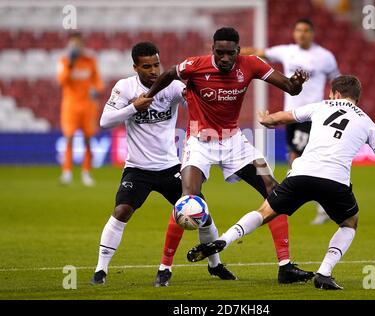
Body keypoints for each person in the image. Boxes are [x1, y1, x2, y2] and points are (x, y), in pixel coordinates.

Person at [187, 75, 375, 290]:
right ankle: (324, 273)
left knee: (265, 211)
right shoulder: (368, 123)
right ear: (356, 98)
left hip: (301, 174)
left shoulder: (322, 106)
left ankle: (223, 240)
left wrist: (267, 119)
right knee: (349, 223)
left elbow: (282, 117)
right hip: (335, 181)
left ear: (335, 94)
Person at [145, 27, 315, 284]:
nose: (225, 58)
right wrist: (148, 96)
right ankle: (164, 268)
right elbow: (169, 73)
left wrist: (297, 83)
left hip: (235, 141)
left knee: (274, 190)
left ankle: (285, 266)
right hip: (199, 142)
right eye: (220, 52)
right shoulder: (195, 65)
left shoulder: (251, 64)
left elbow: (291, 89)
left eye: (230, 53)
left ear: (238, 50)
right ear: (212, 49)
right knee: (187, 201)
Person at [90, 42, 235, 286]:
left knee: (202, 214)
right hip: (137, 169)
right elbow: (105, 121)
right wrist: (132, 107)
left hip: (170, 168)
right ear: (135, 67)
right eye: (147, 66)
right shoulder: (125, 87)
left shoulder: (173, 88)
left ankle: (215, 264)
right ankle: (100, 270)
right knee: (121, 211)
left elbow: (195, 105)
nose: (154, 70)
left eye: (156, 64)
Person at [242, 18, 340, 225]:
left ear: (312, 33)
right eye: (298, 30)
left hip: (313, 114)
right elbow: (259, 52)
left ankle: (304, 194)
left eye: (305, 30)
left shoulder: (325, 57)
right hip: (291, 115)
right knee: (297, 156)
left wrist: (336, 102)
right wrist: (234, 52)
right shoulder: (287, 51)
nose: (301, 34)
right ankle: (321, 201)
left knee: (298, 155)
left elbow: (336, 80)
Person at [57, 32, 104, 186]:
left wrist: (97, 89)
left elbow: (98, 81)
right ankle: (67, 172)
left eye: (78, 44)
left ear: (82, 45)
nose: (76, 47)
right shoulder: (64, 60)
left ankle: (86, 172)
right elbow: (62, 80)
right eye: (73, 44)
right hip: (70, 106)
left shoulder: (90, 60)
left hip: (88, 106)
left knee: (88, 140)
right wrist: (70, 63)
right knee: (69, 138)